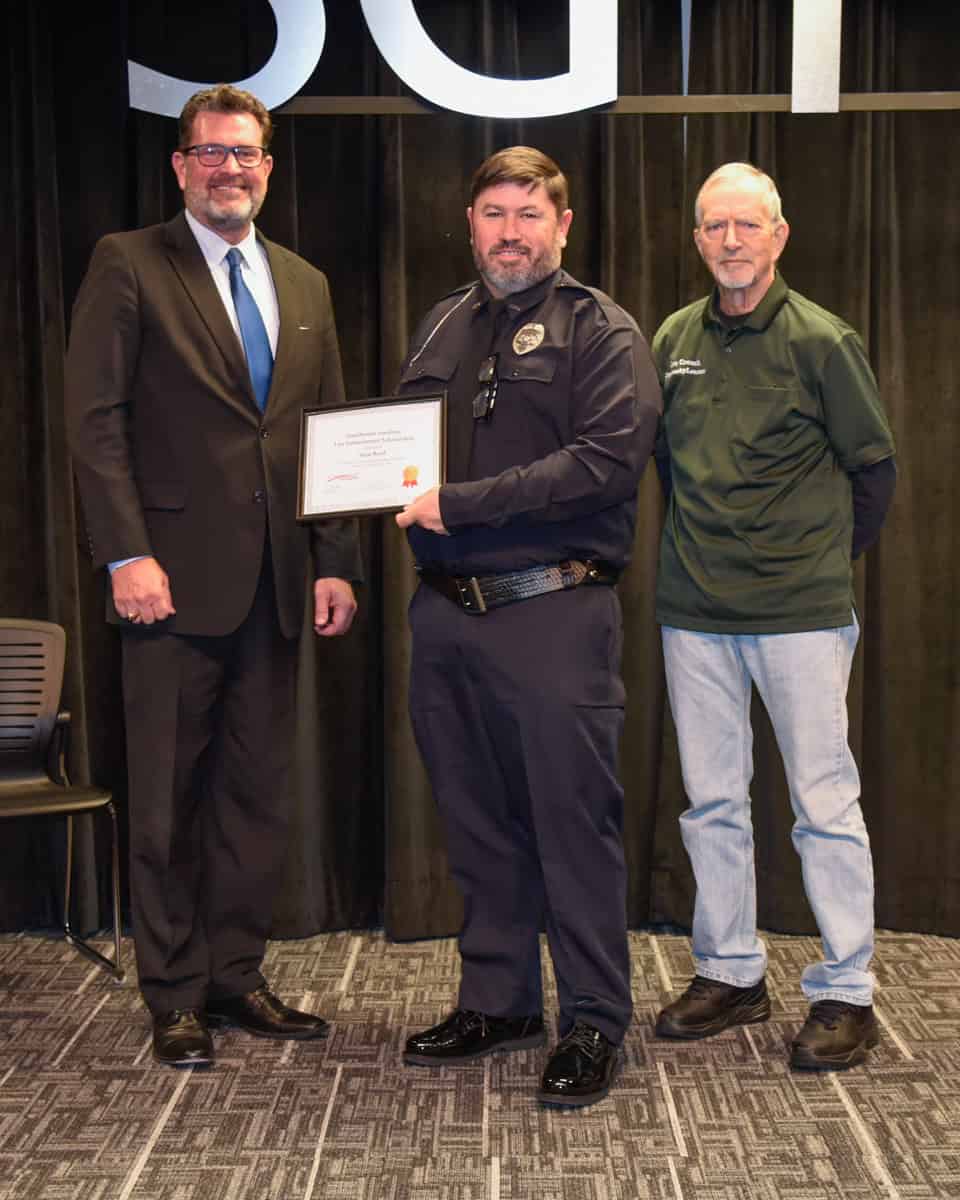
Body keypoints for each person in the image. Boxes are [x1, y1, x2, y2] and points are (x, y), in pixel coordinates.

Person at [65, 84, 361, 1067]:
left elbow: (324, 434)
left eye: (245, 154)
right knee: (165, 801)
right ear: (182, 165)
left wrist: (334, 562)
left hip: (278, 585)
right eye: (211, 153)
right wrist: (125, 553)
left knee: (255, 798)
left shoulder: (305, 284)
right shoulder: (129, 263)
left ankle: (236, 976)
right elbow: (95, 422)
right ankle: (174, 993)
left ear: (267, 168)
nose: (229, 170)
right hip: (168, 584)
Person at [393, 146, 661, 1107]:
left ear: (562, 225)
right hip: (447, 615)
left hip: (554, 610)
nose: (510, 233)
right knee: (477, 822)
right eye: (494, 214)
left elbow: (606, 462)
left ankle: (593, 1019)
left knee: (571, 826)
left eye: (529, 215)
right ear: (470, 222)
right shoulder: (442, 323)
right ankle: (499, 1001)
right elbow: (396, 451)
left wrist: (462, 504)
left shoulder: (603, 330)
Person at [652, 162, 896, 1070]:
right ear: (697, 240)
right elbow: (666, 466)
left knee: (823, 804)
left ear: (779, 236)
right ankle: (730, 971)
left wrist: (814, 562)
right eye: (715, 226)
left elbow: (873, 474)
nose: (730, 241)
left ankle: (846, 990)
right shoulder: (674, 338)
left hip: (799, 614)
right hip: (694, 611)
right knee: (712, 803)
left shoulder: (824, 341)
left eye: (747, 225)